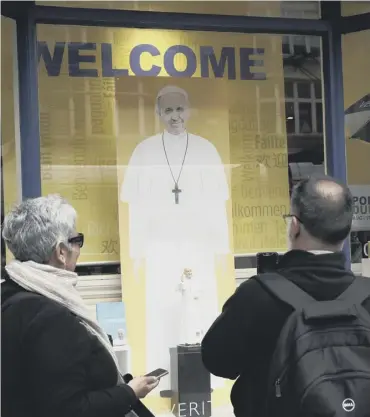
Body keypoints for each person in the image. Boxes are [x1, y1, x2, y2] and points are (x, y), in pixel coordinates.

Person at [201, 175, 370, 417]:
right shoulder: (367, 296)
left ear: (295, 226)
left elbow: (216, 361)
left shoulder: (257, 295)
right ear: (347, 230)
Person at [1, 195, 159, 417]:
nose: (79, 249)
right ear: (61, 252)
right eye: (77, 240)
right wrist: (130, 392)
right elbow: (71, 409)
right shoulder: (49, 316)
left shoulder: (11, 294)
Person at [120, 85, 230, 389]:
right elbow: (136, 209)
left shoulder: (206, 149)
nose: (175, 116)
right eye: (167, 110)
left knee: (201, 306)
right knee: (162, 307)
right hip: (160, 248)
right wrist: (137, 253)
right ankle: (164, 381)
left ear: (189, 111)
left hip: (198, 245)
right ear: (158, 114)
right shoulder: (144, 150)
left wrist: (221, 250)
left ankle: (208, 379)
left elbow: (217, 205)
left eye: (179, 109)